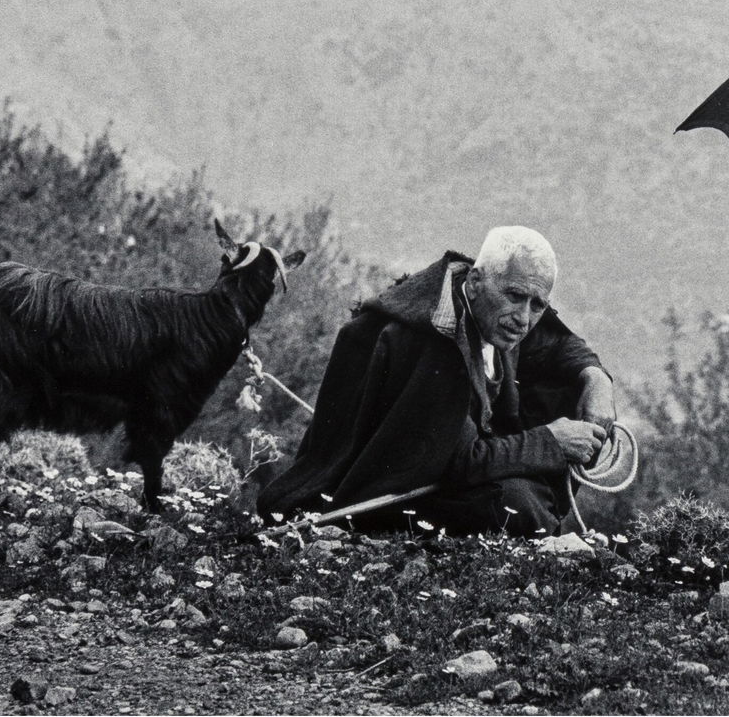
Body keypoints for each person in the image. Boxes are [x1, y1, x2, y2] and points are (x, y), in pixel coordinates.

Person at [256, 226, 616, 535]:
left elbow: (557, 343)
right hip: (383, 486)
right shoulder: (438, 343)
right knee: (516, 505)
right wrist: (550, 442)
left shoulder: (489, 307)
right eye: (516, 297)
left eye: (537, 305)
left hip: (450, 460)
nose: (524, 318)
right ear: (476, 282)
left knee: (567, 387)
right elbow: (458, 461)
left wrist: (596, 380)